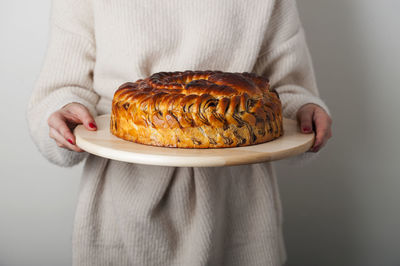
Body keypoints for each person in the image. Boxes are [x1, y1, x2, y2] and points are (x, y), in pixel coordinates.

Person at [27, 0, 332, 265]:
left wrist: (304, 112)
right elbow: (62, 89)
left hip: (237, 210)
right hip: (123, 210)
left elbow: (286, 90)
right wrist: (64, 114)